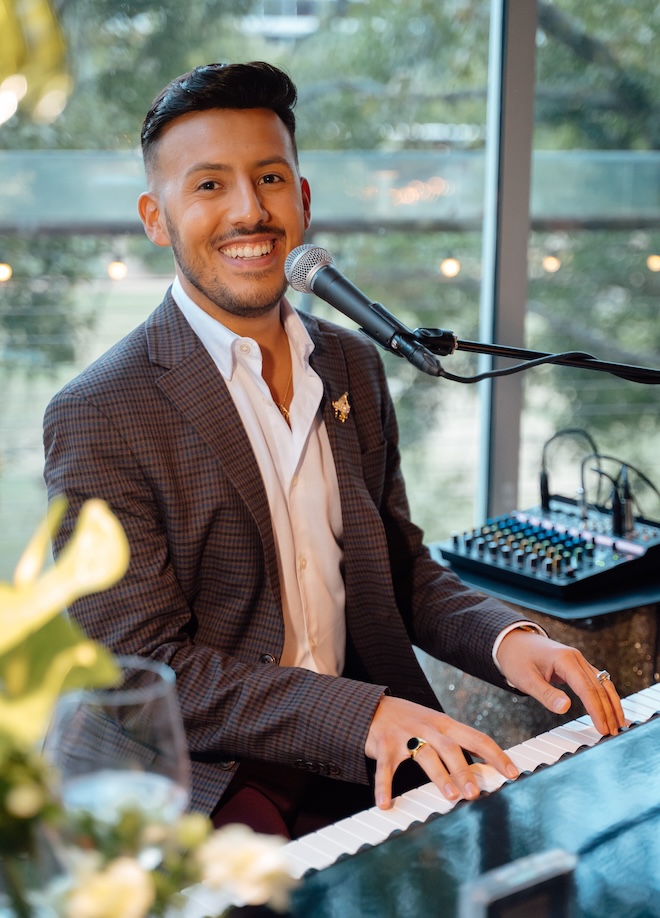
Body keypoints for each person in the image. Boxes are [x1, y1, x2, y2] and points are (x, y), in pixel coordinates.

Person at [43, 61, 624, 840]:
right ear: (156, 217)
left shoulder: (352, 362)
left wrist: (509, 639)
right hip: (198, 777)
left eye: (270, 178)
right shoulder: (97, 412)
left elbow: (400, 568)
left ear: (304, 198)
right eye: (209, 185)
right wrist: (363, 715)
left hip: (357, 743)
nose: (250, 210)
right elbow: (143, 666)